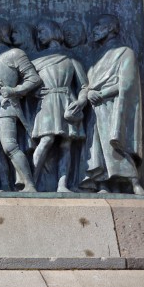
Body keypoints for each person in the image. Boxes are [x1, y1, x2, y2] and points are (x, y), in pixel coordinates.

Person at [76, 14, 144, 194]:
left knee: (114, 143)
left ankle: (134, 183)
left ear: (110, 28)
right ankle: (103, 184)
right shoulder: (95, 56)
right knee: (97, 149)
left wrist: (102, 93)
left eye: (98, 24)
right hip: (95, 108)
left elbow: (128, 83)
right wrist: (88, 93)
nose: (94, 29)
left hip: (113, 106)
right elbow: (87, 82)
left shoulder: (125, 52)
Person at [0, 18, 41, 192]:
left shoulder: (15, 54)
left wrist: (15, 90)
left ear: (1, 32)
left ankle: (29, 184)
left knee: (9, 145)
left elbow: (34, 79)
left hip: (8, 105)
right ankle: (5, 185)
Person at [30, 19, 87, 192]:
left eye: (42, 31)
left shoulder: (70, 57)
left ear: (53, 31)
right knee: (46, 140)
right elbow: (29, 83)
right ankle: (30, 181)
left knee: (66, 144)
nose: (39, 36)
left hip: (66, 102)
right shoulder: (36, 60)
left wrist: (81, 101)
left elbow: (83, 85)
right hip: (47, 102)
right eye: (38, 33)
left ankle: (62, 185)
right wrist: (34, 93)